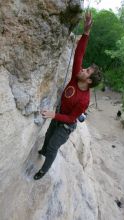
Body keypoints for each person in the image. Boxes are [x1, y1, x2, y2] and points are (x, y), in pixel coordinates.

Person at [34, 11, 102, 180]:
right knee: (48, 137)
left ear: (89, 82)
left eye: (86, 71)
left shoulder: (84, 100)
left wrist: (54, 115)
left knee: (52, 148)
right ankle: (42, 151)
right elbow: (79, 54)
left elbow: (72, 118)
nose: (83, 69)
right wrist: (86, 32)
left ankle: (43, 171)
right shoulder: (75, 77)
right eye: (86, 68)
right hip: (58, 116)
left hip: (65, 126)